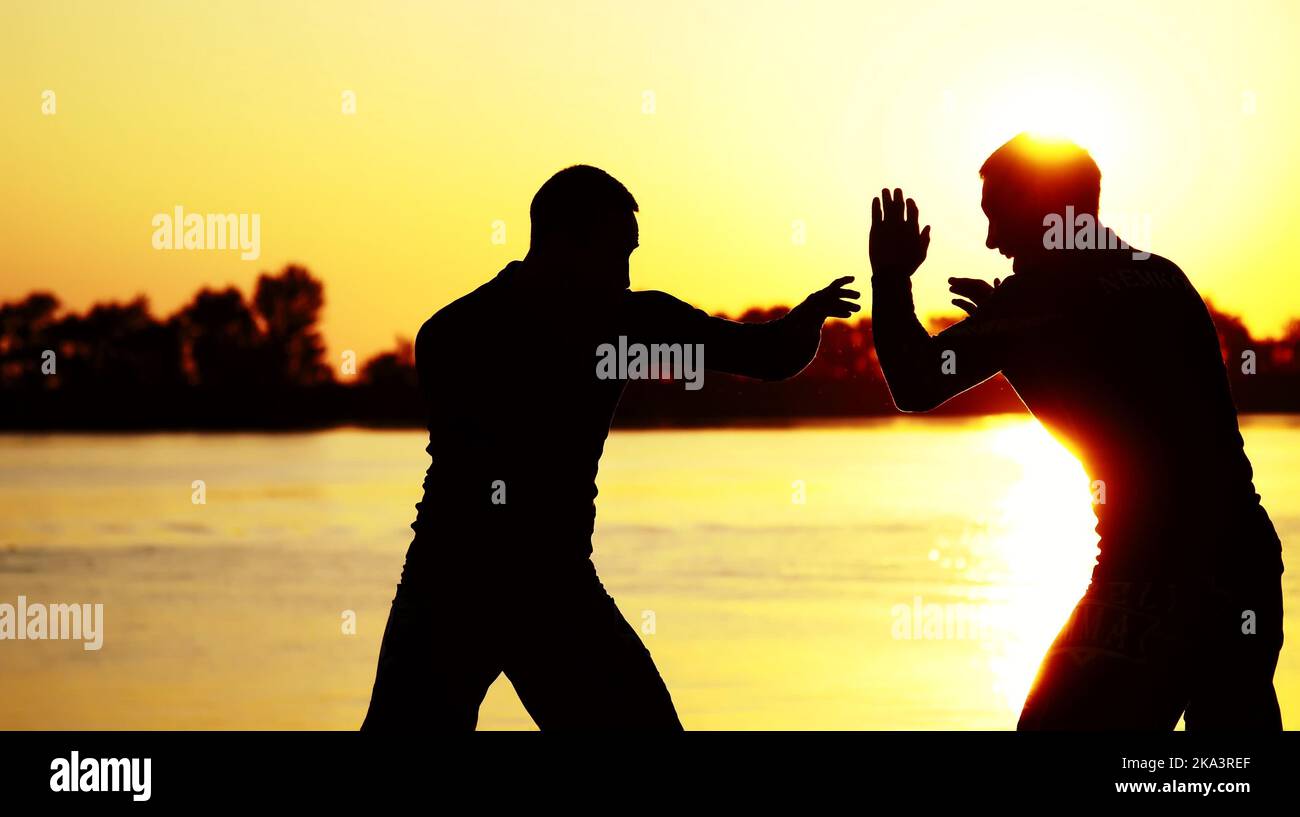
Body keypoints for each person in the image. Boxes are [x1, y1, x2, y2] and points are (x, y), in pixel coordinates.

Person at [361, 164, 859, 730]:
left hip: (453, 581)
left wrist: (803, 320)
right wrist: (808, 320)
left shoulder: (449, 330)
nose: (626, 273)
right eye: (617, 251)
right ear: (565, 240)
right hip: (533, 588)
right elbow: (769, 357)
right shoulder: (620, 323)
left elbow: (765, 355)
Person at [868, 133, 1284, 730]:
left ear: (1044, 209)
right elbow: (1130, 402)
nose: (992, 241)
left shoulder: (1040, 296)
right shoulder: (1164, 277)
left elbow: (913, 383)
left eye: (998, 217)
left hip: (1151, 580)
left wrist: (891, 277)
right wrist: (1019, 341)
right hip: (1246, 567)